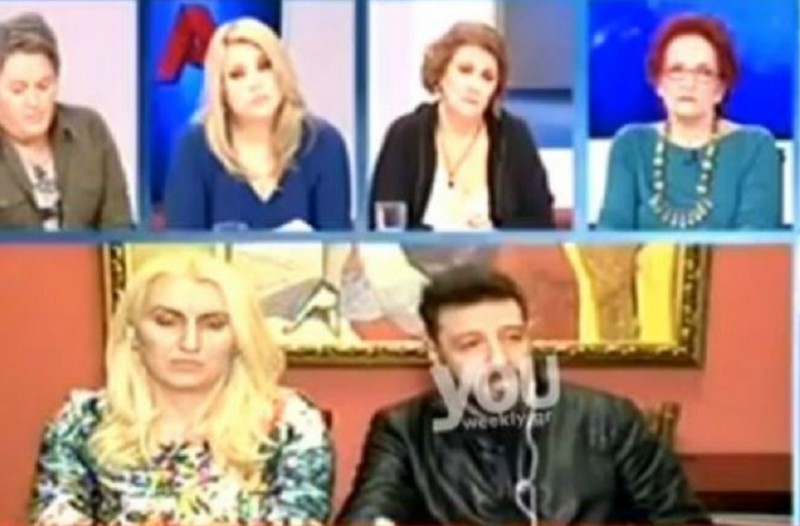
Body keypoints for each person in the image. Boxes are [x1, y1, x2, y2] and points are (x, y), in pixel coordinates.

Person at [338, 264, 711, 525]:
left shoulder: (608, 419)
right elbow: (370, 512)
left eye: (512, 338)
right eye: (471, 344)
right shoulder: (403, 431)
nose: (499, 359)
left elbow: (680, 519)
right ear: (435, 354)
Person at [28, 253, 334, 526]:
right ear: (133, 333)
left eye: (213, 324)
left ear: (239, 339)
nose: (189, 343)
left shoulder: (290, 423)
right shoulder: (82, 421)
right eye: (166, 322)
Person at [163, 18, 352, 231]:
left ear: (281, 71)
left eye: (265, 66)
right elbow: (184, 246)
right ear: (222, 90)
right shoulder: (195, 147)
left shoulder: (323, 143)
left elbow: (337, 244)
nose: (255, 83)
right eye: (237, 75)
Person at [597, 14, 782, 230]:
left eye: (704, 73)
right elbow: (611, 232)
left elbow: (755, 237)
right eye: (677, 70)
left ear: (720, 88)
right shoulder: (630, 144)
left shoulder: (756, 146)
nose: (689, 83)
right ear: (659, 83)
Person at [369, 22, 554, 231]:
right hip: (415, 253)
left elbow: (541, 224)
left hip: (492, 253)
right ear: (440, 75)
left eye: (487, 77)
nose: (475, 86)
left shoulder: (514, 136)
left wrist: (494, 235)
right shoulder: (406, 134)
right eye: (465, 70)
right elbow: (384, 224)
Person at [0, 12, 133, 231]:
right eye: (18, 90)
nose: (34, 101)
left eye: (43, 86)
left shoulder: (90, 130)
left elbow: (119, 225)